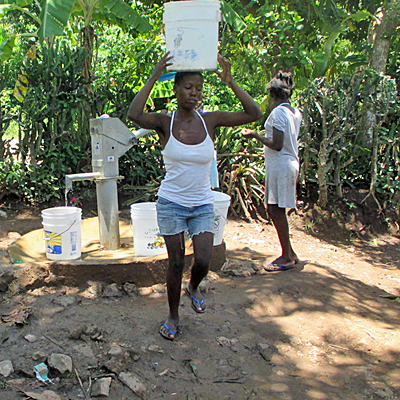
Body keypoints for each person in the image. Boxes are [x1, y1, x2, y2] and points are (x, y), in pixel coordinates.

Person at [128, 52, 262, 340]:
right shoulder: (165, 122)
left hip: (202, 203)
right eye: (188, 87)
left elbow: (254, 114)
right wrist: (154, 75)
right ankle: (173, 316)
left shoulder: (209, 121)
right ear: (176, 90)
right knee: (176, 262)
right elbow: (134, 115)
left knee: (203, 259)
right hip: (171, 204)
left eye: (199, 88)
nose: (194, 93)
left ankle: (193, 287)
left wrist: (230, 81)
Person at [241, 71, 301, 272]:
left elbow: (276, 144)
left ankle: (286, 256)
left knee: (275, 209)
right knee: (277, 208)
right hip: (290, 162)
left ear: (272, 96)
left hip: (281, 164)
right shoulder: (295, 112)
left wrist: (255, 135)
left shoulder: (277, 113)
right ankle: (290, 252)